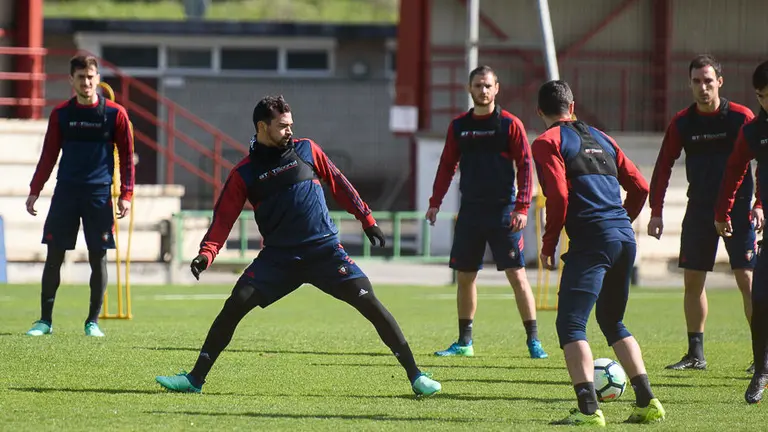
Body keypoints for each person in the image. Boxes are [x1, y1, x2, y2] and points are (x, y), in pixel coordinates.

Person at [155, 95, 441, 397]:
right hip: (279, 259)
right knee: (234, 305)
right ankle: (195, 379)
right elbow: (224, 218)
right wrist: (207, 253)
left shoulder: (307, 150)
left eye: (290, 124)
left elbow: (339, 183)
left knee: (370, 303)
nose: (289, 130)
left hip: (325, 252)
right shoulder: (245, 173)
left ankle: (416, 376)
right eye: (282, 126)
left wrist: (366, 219)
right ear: (262, 127)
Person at [532, 80, 665, 426]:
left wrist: (549, 243)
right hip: (623, 238)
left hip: (592, 240)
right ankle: (647, 401)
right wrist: (620, 223)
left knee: (571, 324)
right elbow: (641, 186)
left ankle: (588, 411)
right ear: (572, 107)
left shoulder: (547, 142)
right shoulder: (603, 138)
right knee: (612, 321)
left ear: (539, 112)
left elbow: (558, 196)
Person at [648, 54, 762, 371]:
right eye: (696, 81)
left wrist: (759, 204)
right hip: (699, 209)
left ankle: (762, 355)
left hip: (738, 210)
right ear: (690, 84)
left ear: (719, 82)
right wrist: (656, 211)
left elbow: (763, 161)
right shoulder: (682, 123)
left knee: (748, 280)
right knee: (693, 280)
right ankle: (695, 354)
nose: (703, 87)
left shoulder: (741, 117)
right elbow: (663, 166)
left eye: (708, 81)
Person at [426, 65, 548, 359]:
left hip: (504, 212)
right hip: (470, 212)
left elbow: (526, 166)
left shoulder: (510, 124)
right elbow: (446, 165)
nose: (483, 90)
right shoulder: (459, 126)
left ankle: (533, 341)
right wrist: (435, 202)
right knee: (465, 277)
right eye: (478, 85)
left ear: (497, 89)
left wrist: (522, 207)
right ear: (469, 89)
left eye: (487, 85)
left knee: (517, 275)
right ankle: (464, 342)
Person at [25, 55, 135, 338]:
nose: (86, 82)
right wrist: (35, 189)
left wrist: (126, 194)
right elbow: (48, 155)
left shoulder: (115, 114)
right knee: (54, 255)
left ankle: (92, 322)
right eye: (81, 77)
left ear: (97, 79)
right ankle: (44, 321)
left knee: (98, 258)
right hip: (66, 193)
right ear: (71, 80)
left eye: (90, 77)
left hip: (99, 195)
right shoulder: (61, 114)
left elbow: (126, 157)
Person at [715, 60, 768, 403]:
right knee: (760, 300)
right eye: (761, 96)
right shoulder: (754, 131)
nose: (766, 102)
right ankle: (762, 371)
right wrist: (722, 211)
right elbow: (735, 169)